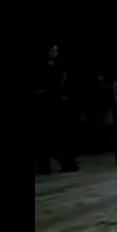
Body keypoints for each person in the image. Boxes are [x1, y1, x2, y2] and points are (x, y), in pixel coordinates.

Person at [34, 43, 79, 174]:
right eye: (53, 50)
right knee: (43, 136)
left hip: (56, 104)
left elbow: (63, 85)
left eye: (56, 50)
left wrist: (64, 94)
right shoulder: (41, 67)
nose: (55, 53)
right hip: (44, 105)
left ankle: (67, 163)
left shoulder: (59, 67)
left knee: (62, 134)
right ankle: (44, 166)